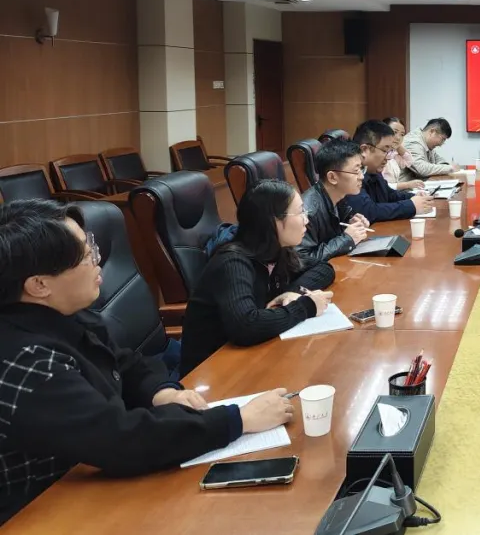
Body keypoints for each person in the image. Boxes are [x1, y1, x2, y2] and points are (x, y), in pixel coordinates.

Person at [0, 199, 293, 524]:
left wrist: (161, 392)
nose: (97, 261)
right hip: (43, 513)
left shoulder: (63, 314)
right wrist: (238, 420)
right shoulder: (29, 362)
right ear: (39, 284)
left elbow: (125, 362)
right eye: (85, 255)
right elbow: (121, 440)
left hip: (88, 481)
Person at [179, 180, 335, 377]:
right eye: (300, 212)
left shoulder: (277, 251)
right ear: (272, 221)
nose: (306, 220)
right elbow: (246, 326)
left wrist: (292, 293)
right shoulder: (232, 262)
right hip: (211, 371)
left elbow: (324, 268)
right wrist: (307, 306)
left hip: (250, 356)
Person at [298, 139, 370, 267]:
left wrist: (349, 223)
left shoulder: (338, 196)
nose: (361, 176)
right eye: (356, 171)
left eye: (361, 169)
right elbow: (301, 260)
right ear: (332, 177)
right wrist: (347, 239)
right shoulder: (307, 212)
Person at [345, 121, 436, 222]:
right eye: (385, 151)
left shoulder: (374, 171)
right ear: (364, 150)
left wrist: (415, 197)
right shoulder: (349, 174)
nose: (388, 157)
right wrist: (411, 205)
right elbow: (368, 211)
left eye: (390, 151)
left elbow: (390, 195)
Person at [382, 116, 423, 190]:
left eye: (402, 134)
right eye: (394, 132)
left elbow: (409, 161)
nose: (398, 137)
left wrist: (397, 146)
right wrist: (407, 185)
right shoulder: (379, 156)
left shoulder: (393, 154)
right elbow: (382, 187)